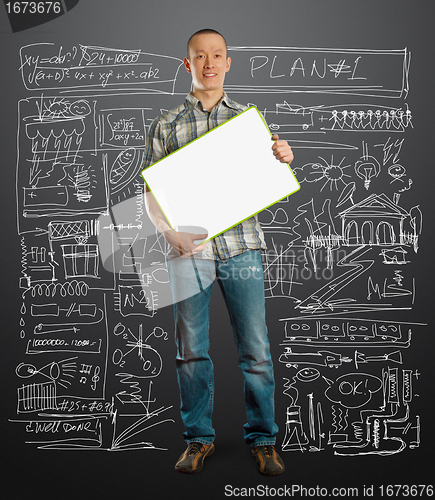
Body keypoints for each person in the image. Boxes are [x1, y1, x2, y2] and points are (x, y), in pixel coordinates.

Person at [143, 28, 294, 476]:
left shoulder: (248, 121)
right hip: (188, 252)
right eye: (199, 56)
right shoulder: (166, 124)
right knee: (190, 350)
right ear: (186, 64)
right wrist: (167, 233)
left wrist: (282, 158)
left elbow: (269, 181)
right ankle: (197, 440)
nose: (209, 63)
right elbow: (152, 192)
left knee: (257, 349)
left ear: (228, 62)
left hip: (242, 249)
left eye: (218, 55)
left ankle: (264, 439)